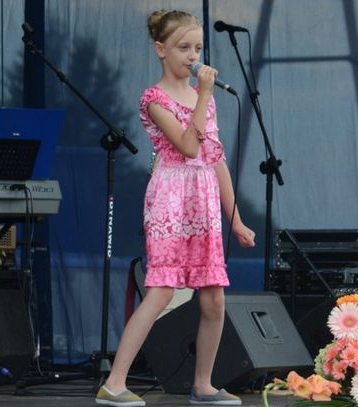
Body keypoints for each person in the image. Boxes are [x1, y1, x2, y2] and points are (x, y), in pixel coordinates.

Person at [95, 9, 255, 407]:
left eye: (197, 48)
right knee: (162, 291)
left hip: (204, 201)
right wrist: (204, 95)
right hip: (171, 199)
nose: (192, 56)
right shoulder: (154, 99)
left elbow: (215, 160)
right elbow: (187, 147)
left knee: (213, 297)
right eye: (184, 47)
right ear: (161, 49)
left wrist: (235, 219)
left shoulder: (204, 101)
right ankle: (114, 383)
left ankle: (203, 384)